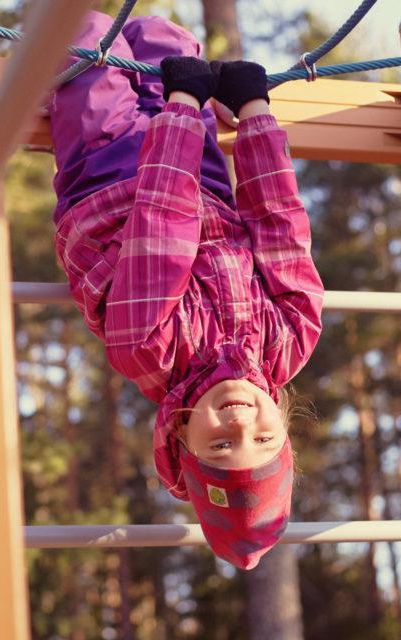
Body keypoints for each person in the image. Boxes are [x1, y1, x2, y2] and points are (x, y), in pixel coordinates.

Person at [48, 12, 324, 569]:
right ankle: (172, 80)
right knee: (165, 39)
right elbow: (281, 227)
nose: (242, 424)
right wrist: (253, 115)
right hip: (203, 181)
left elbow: (162, 226)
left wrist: (180, 107)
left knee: (88, 32)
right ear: (285, 431)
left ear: (181, 437)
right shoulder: (291, 340)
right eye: (264, 442)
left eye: (220, 446)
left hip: (109, 176)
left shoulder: (150, 351)